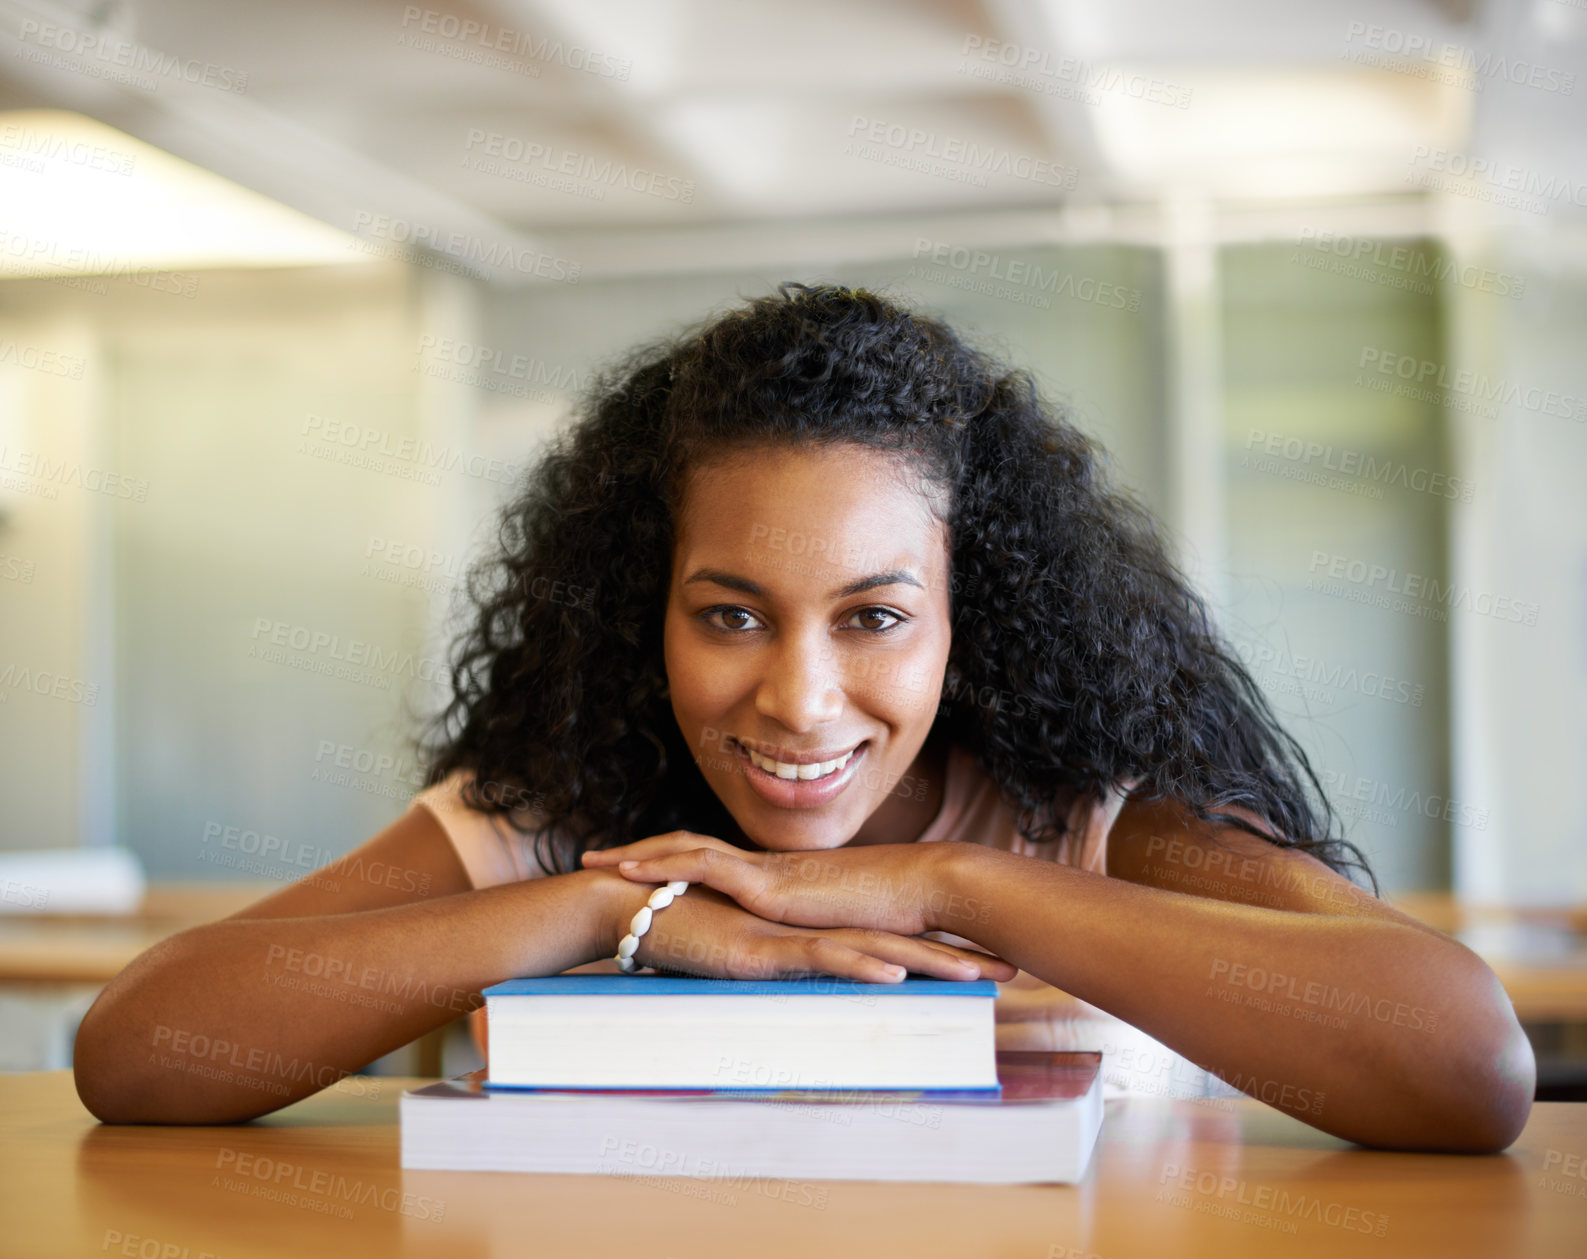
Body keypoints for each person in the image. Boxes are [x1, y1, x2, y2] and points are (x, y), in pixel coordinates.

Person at [72, 283, 1533, 1151]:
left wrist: (950, 880)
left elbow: (1470, 1069)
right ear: (643, 608)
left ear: (974, 618)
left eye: (874, 616)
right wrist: (607, 917)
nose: (797, 697)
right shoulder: (564, 799)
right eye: (729, 613)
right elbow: (140, 1049)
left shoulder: (1083, 806)